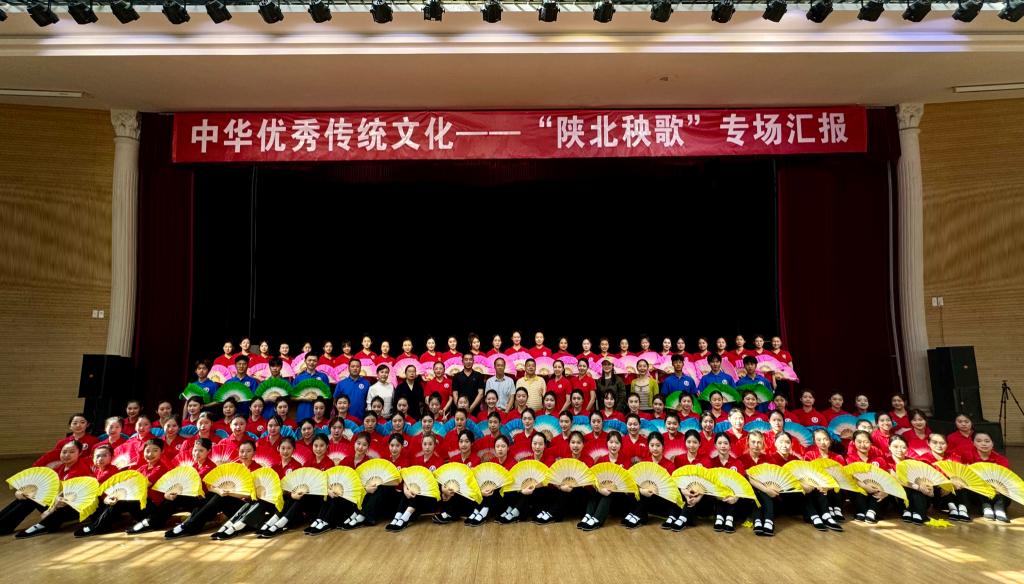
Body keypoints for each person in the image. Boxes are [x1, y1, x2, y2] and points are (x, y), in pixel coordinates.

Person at [578, 431, 632, 531]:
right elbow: (595, 479)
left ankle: (597, 519)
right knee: (595, 492)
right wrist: (600, 489)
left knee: (609, 493)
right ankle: (588, 515)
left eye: (617, 443)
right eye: (611, 442)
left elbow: (628, 482)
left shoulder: (626, 460)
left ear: (621, 445)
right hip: (603, 493)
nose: (613, 445)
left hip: (620, 496)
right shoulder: (601, 460)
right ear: (607, 443)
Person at [293, 353, 330, 421]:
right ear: (305, 361)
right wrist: (304, 398)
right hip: (303, 413)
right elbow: (292, 397)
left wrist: (318, 396)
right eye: (309, 360)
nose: (312, 362)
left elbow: (328, 396)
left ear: (317, 362)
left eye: (314, 360)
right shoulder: (299, 378)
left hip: (319, 414)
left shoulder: (323, 376)